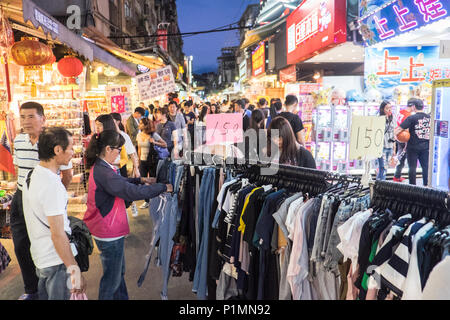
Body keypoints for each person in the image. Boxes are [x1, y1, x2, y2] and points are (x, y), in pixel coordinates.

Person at [84, 130, 172, 300]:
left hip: (107, 228)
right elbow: (129, 192)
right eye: (118, 151)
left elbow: (121, 183)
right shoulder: (104, 172)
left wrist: (141, 180)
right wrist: (162, 187)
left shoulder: (103, 167)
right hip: (107, 230)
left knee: (117, 274)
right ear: (108, 149)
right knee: (112, 279)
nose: (119, 155)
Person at [11, 101, 73, 300]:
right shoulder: (19, 141)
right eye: (22, 117)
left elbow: (67, 174)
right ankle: (32, 289)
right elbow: (18, 169)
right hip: (22, 194)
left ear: (42, 119)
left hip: (43, 196)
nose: (26, 121)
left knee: (47, 236)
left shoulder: (51, 142)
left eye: (31, 117)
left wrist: (56, 198)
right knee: (21, 243)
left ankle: (42, 282)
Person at [22, 127, 86, 300]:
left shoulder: (32, 174)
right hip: (56, 261)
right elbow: (57, 234)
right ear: (57, 150)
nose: (73, 152)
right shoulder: (52, 185)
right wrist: (74, 270)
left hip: (40, 257)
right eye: (71, 147)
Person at [394, 98, 430, 186]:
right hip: (426, 147)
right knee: (425, 168)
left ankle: (412, 188)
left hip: (413, 147)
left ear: (414, 107)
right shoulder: (429, 117)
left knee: (412, 169)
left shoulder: (412, 118)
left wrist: (395, 137)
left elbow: (399, 129)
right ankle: (427, 186)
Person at [136, 118, 167, 208]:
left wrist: (155, 142)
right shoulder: (139, 135)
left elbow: (164, 144)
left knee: (153, 180)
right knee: (143, 180)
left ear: (145, 125)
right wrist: (138, 161)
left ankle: (154, 199)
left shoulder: (153, 135)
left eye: (141, 123)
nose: (139, 124)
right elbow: (139, 149)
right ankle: (147, 200)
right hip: (143, 161)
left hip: (152, 161)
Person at [110, 113, 140, 178]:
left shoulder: (124, 136)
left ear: (117, 122)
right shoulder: (108, 135)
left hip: (120, 168)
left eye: (111, 120)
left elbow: (132, 154)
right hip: (109, 170)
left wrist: (136, 169)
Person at [393, 100, 414, 182]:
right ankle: (397, 176)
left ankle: (397, 175)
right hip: (403, 137)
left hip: (398, 136)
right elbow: (407, 129)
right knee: (402, 158)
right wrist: (406, 143)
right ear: (412, 106)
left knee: (400, 156)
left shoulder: (401, 112)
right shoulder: (408, 115)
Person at [376, 101, 395, 181]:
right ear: (382, 109)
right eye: (387, 108)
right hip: (382, 146)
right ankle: (380, 183)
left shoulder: (392, 118)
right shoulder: (379, 118)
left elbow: (393, 133)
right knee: (382, 166)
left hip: (390, 145)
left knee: (386, 167)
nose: (389, 110)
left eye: (390, 108)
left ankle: (380, 182)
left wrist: (394, 148)